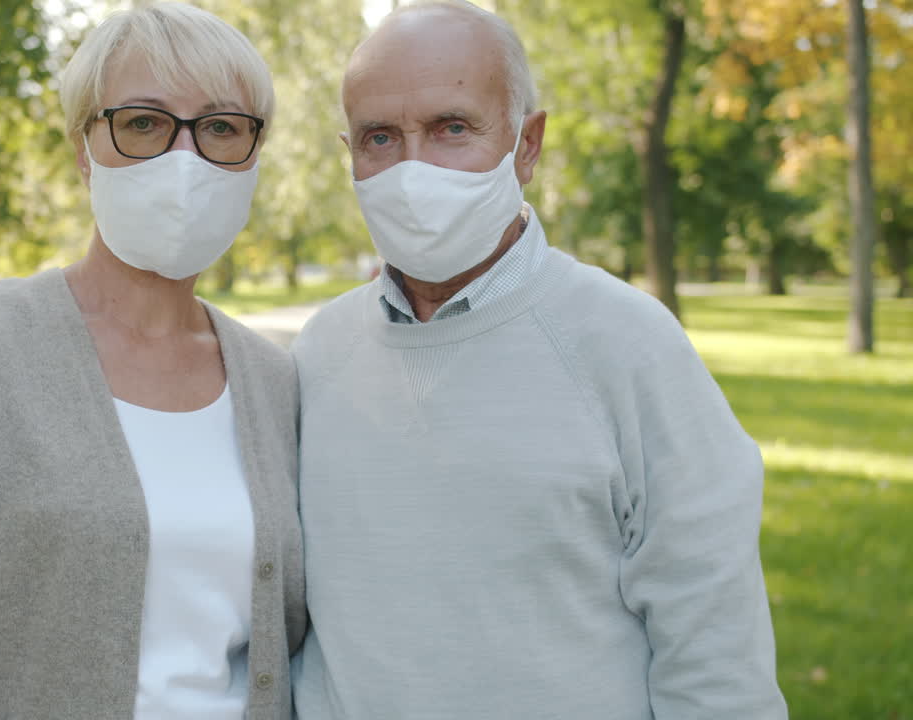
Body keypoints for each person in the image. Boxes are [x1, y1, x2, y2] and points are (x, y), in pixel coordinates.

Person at [290, 2, 788, 718]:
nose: (412, 168)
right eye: (379, 138)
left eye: (451, 128)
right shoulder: (318, 354)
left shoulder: (629, 346)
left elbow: (714, 656)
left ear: (528, 143)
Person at [0, 5, 304, 719]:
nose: (183, 161)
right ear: (84, 149)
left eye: (220, 127)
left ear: (253, 154)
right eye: (144, 122)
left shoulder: (275, 381)